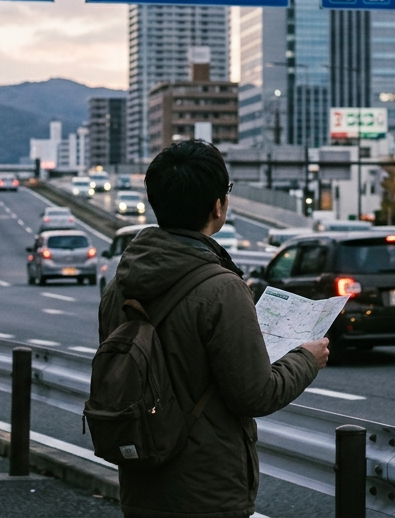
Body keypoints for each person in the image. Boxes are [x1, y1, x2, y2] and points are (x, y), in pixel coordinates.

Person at [98, 140, 328, 518]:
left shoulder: (119, 286)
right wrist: (306, 358)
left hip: (141, 480)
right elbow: (254, 394)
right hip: (207, 490)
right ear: (217, 206)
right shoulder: (222, 289)